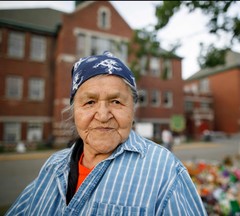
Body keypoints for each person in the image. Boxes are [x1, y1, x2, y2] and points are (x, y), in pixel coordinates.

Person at [6, 51, 207, 215]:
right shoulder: (53, 167)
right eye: (90, 102)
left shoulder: (165, 171)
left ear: (132, 109)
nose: (102, 115)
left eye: (116, 102)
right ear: (74, 111)